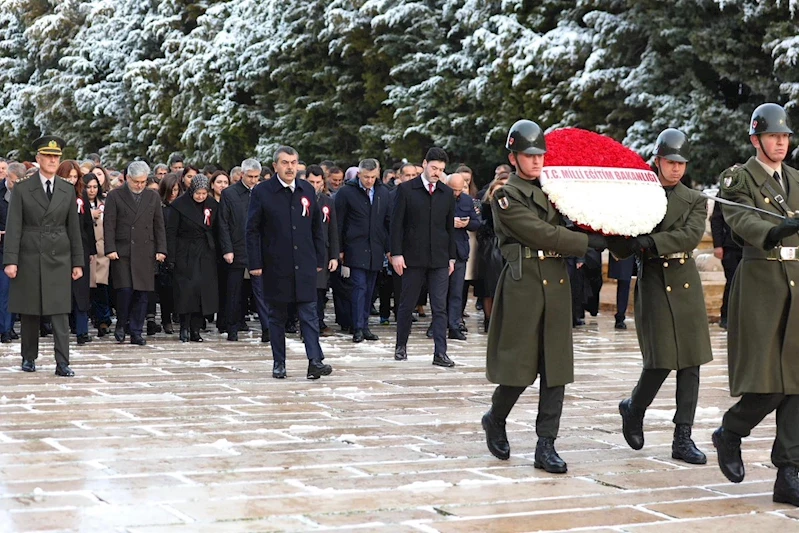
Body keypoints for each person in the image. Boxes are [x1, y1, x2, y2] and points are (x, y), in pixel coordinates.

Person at [481, 120, 605, 471]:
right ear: (513, 157)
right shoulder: (506, 195)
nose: (536, 162)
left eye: (540, 155)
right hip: (525, 284)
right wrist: (585, 243)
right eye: (529, 155)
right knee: (520, 367)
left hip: (556, 280)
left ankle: (546, 443)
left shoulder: (555, 189)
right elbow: (539, 233)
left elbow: (573, 220)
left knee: (556, 367)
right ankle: (496, 416)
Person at [713, 103, 799, 506]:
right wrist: (776, 229)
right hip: (762, 283)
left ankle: (789, 472)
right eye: (772, 136)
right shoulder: (738, 178)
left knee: (798, 384)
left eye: (785, 136)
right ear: (756, 139)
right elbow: (741, 221)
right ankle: (731, 431)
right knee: (769, 384)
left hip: (796, 286)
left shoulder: (797, 179)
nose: (780, 143)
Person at [612, 128, 712, 465]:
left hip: (684, 281)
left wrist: (652, 241)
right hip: (654, 281)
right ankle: (634, 407)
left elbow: (689, 236)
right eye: (670, 162)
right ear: (658, 160)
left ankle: (682, 436)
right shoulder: (638, 193)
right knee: (660, 359)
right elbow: (620, 240)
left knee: (691, 362)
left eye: (681, 163)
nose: (676, 168)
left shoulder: (695, 200)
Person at [246, 146, 331, 380]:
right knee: (278, 316)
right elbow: (252, 230)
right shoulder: (263, 192)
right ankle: (279, 362)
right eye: (285, 162)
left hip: (304, 262)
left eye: (294, 162)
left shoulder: (306, 190)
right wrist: (255, 262)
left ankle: (315, 361)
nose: (290, 167)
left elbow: (316, 227)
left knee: (309, 314)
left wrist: (318, 258)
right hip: (276, 263)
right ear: (275, 166)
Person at [3, 136, 84, 376]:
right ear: (38, 159)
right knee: (29, 310)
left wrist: (77, 261)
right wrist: (11, 260)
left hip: (58, 255)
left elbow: (73, 228)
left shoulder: (67, 189)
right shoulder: (23, 188)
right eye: (47, 156)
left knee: (59, 310)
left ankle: (63, 362)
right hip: (29, 254)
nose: (52, 160)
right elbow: (14, 225)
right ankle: (28, 357)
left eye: (56, 157)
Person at [391, 147, 457, 366]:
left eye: (441, 170)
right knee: (407, 303)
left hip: (439, 258)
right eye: (434, 167)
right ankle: (401, 346)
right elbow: (396, 225)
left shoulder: (446, 193)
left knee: (439, 307)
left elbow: (449, 227)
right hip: (412, 257)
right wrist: (397, 253)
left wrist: (451, 257)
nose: (436, 172)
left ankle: (440, 352)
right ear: (424, 164)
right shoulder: (407, 190)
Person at [103, 161, 167, 346]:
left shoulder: (152, 196)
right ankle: (122, 324)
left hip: (145, 250)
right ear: (128, 178)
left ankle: (137, 331)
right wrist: (110, 248)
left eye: (143, 182)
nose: (140, 185)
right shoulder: (115, 196)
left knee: (142, 293)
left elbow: (159, 225)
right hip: (122, 251)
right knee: (125, 291)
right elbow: (109, 224)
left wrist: (161, 249)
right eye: (136, 181)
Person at [335, 158, 390, 343]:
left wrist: (388, 248)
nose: (369, 181)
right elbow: (339, 223)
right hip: (354, 248)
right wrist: (340, 249)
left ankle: (364, 325)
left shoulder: (383, 192)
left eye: (373, 177)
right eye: (366, 177)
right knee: (358, 288)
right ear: (359, 174)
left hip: (375, 248)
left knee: (370, 289)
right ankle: (357, 327)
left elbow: (387, 222)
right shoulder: (346, 193)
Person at [219, 159, 271, 342]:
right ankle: (232, 327)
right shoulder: (229, 194)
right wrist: (227, 249)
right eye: (250, 177)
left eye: (256, 177)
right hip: (237, 247)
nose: (253, 180)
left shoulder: (263, 192)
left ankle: (267, 328)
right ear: (242, 174)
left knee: (261, 291)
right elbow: (223, 223)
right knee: (234, 292)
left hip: (258, 249)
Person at [166, 175, 219, 342]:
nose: (201, 197)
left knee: (203, 293)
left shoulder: (212, 205)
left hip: (206, 253)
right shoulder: (179, 206)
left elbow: (217, 228)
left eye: (204, 193)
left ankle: (196, 329)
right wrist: (171, 257)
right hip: (185, 253)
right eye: (198, 193)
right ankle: (184, 327)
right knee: (186, 292)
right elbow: (171, 233)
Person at [60, 162, 98, 345]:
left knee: (82, 291)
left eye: (75, 177)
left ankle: (82, 331)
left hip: (80, 247)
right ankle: (63, 328)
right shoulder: (55, 195)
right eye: (69, 177)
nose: (72, 180)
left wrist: (91, 249)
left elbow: (88, 225)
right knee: (63, 290)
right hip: (60, 249)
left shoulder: (81, 195)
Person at [445, 172, 480, 340]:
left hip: (460, 250)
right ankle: (437, 324)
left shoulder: (467, 200)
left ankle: (454, 325)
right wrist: (449, 222)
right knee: (440, 292)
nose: (456, 193)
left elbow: (476, 223)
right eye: (453, 190)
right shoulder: (439, 197)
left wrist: (467, 224)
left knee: (457, 292)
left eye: (459, 190)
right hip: (441, 250)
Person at [306, 166, 339, 337]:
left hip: (323, 252)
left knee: (320, 289)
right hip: (304, 251)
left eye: (318, 182)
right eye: (311, 182)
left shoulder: (328, 202)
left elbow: (333, 230)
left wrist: (334, 255)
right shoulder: (299, 199)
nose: (315, 186)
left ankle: (318, 321)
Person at [85, 175, 112, 337]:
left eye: (95, 187)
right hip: (87, 250)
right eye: (89, 187)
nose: (92, 190)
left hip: (102, 251)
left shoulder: (104, 202)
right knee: (87, 288)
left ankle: (103, 320)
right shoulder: (78, 203)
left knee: (102, 287)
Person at [710, 200, 742, 329]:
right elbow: (716, 219)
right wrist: (718, 245)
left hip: (752, 246)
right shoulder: (728, 190)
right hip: (731, 246)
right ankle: (726, 317)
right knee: (732, 282)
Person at [0, 162, 23, 343]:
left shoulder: (24, 194)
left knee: (16, 291)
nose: (16, 186)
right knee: (5, 290)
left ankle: (9, 326)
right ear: (7, 177)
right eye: (14, 182)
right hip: (2, 248)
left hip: (21, 248)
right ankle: (5, 329)